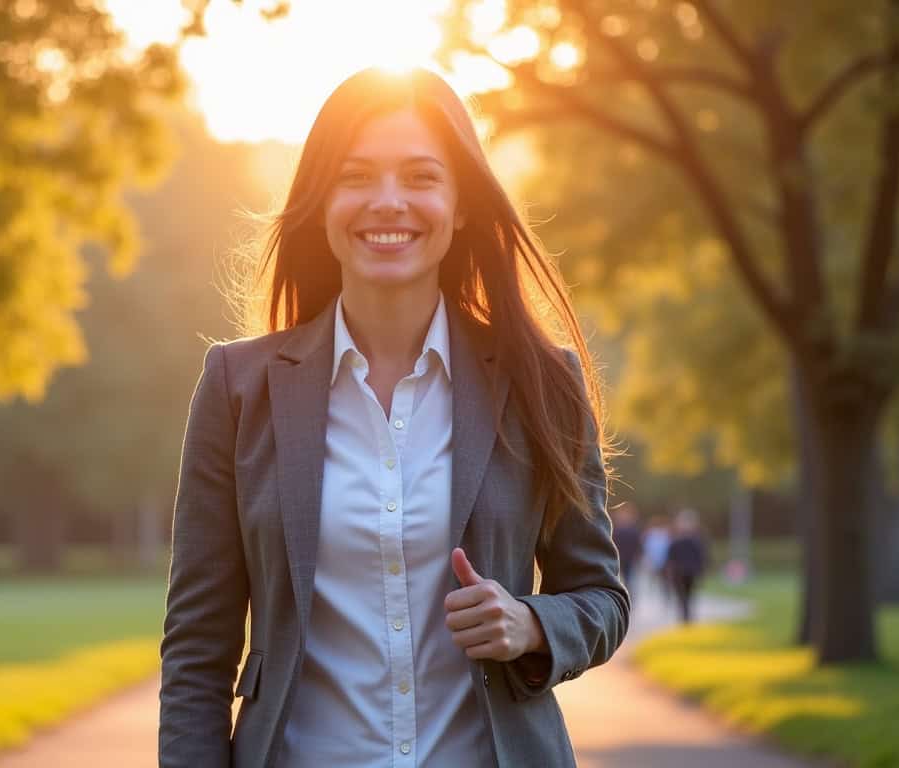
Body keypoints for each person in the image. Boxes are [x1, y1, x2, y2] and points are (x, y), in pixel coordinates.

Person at [159, 67, 629, 768]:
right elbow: (198, 649)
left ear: (460, 203)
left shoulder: (542, 382)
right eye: (356, 177)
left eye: (419, 177)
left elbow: (601, 597)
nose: (387, 202)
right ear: (322, 201)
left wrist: (532, 623)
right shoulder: (237, 387)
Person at [664, 508, 707, 624]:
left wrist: (701, 570)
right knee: (682, 594)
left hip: (689, 572)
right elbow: (670, 557)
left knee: (688, 594)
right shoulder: (677, 540)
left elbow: (701, 557)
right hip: (679, 572)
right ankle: (685, 614)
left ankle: (686, 614)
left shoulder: (696, 540)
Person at [611, 501, 643, 594]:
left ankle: (626, 592)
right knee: (625, 577)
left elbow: (638, 544)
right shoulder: (619, 529)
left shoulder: (630, 530)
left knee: (627, 577)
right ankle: (626, 592)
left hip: (627, 557)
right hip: (621, 557)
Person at [641, 513, 673, 605]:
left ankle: (658, 594)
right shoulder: (663, 535)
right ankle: (658, 594)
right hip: (660, 560)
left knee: (661, 579)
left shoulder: (655, 535)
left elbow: (647, 548)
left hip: (659, 560)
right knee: (661, 579)